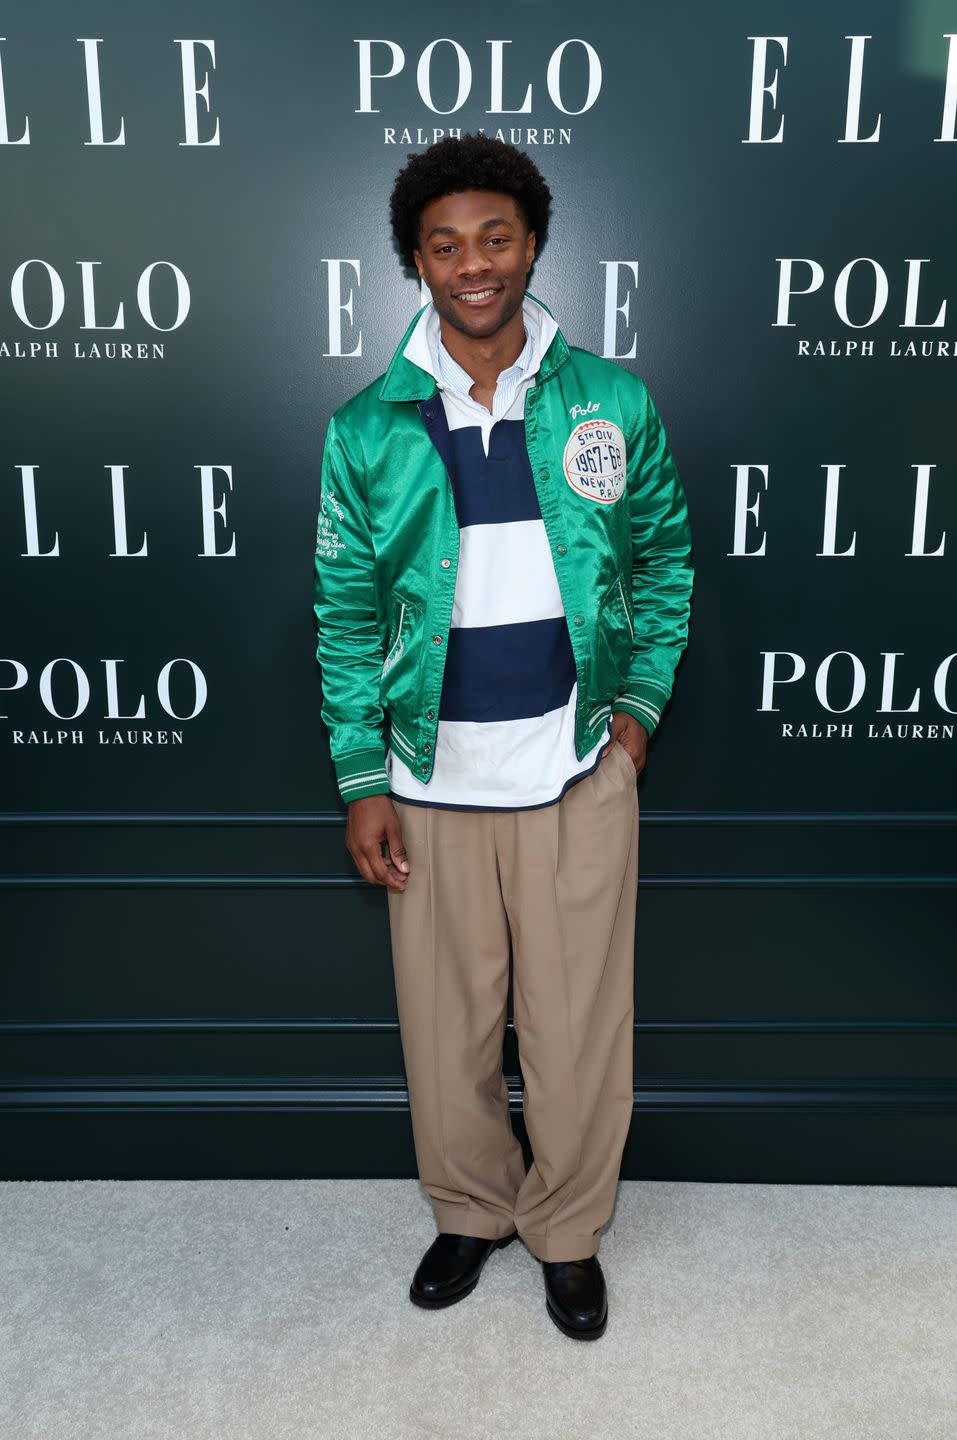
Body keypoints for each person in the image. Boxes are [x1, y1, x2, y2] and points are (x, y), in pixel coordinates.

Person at [313, 133, 693, 1340]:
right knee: (447, 1028)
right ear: (414, 264)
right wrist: (362, 775)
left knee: (580, 1030)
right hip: (431, 781)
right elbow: (343, 612)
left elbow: (669, 564)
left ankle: (569, 1231)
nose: (471, 263)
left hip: (578, 769)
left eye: (494, 238)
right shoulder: (368, 429)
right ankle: (472, 1210)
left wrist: (631, 724)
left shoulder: (612, 403)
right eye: (444, 244)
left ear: (532, 246)